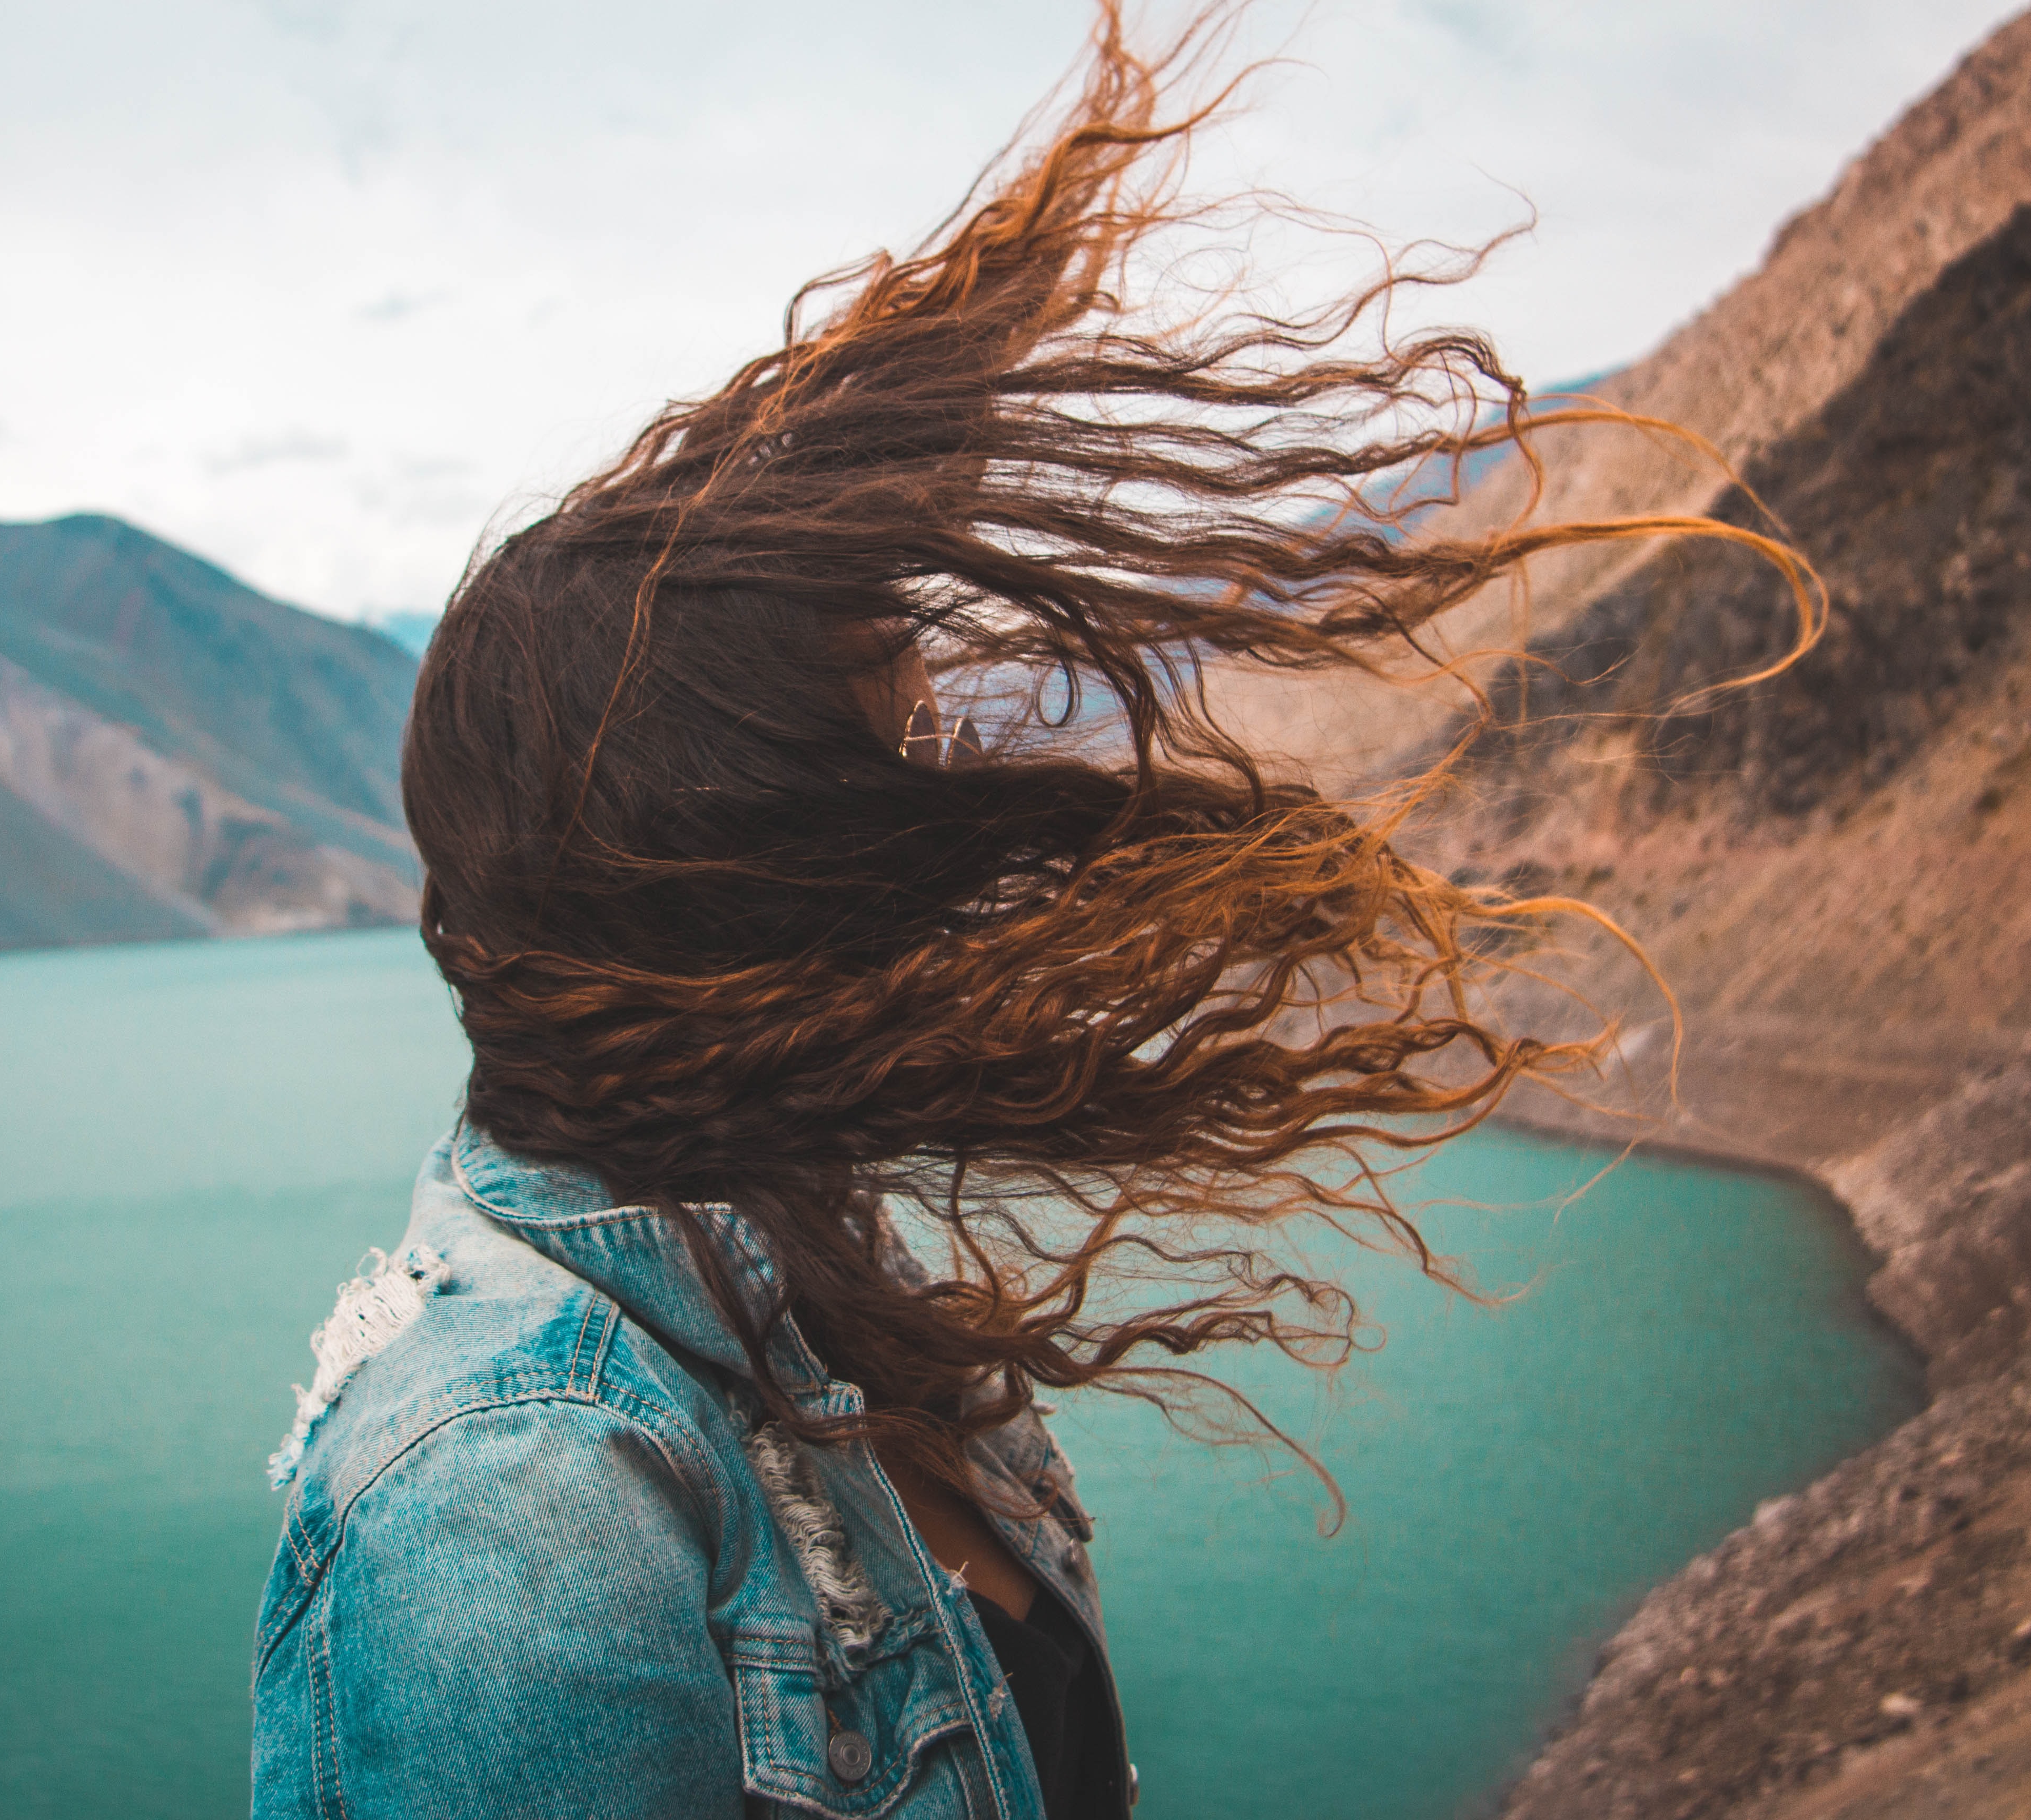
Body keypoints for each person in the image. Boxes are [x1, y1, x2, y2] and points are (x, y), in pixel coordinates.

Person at [247, 6, 1812, 1816]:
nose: (947, 817)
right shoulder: (514, 1496)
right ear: (727, 869)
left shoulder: (801, 1278)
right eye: (884, 764)